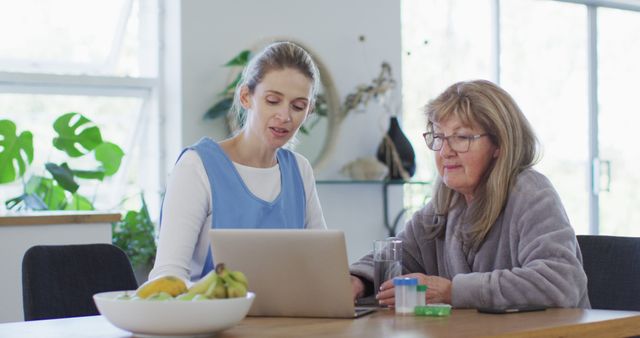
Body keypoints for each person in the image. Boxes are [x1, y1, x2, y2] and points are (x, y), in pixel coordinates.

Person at [349, 79, 590, 309]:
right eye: (439, 137)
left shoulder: (531, 193)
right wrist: (359, 280)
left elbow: (560, 282)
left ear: (499, 145)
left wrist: (453, 291)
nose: (445, 151)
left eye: (461, 137)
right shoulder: (447, 200)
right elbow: (402, 253)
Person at [150, 41, 327, 282]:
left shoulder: (300, 170)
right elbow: (168, 276)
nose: (285, 116)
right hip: (211, 317)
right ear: (246, 97)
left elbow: (321, 263)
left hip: (286, 317)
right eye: (273, 101)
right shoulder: (197, 166)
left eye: (298, 106)